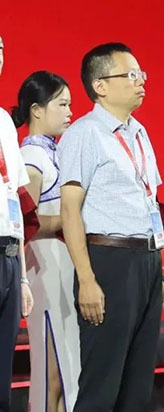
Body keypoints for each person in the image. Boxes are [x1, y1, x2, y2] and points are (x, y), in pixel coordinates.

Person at [58, 42, 164, 411]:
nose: (141, 82)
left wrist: (160, 273)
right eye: (131, 75)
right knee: (102, 385)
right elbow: (70, 211)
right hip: (109, 262)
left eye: (141, 74)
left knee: (138, 387)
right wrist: (87, 279)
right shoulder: (85, 133)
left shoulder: (139, 132)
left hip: (147, 262)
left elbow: (149, 203)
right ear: (100, 85)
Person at [12, 71, 79, 412]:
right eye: (62, 104)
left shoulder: (55, 152)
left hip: (63, 267)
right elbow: (27, 223)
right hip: (45, 268)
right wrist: (74, 221)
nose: (70, 112)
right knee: (52, 370)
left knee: (67, 366)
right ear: (37, 110)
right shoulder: (32, 158)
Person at [0, 33, 34, 412]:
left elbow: (14, 202)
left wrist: (23, 278)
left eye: (0, 50)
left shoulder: (5, 124)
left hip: (9, 258)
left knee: (2, 381)